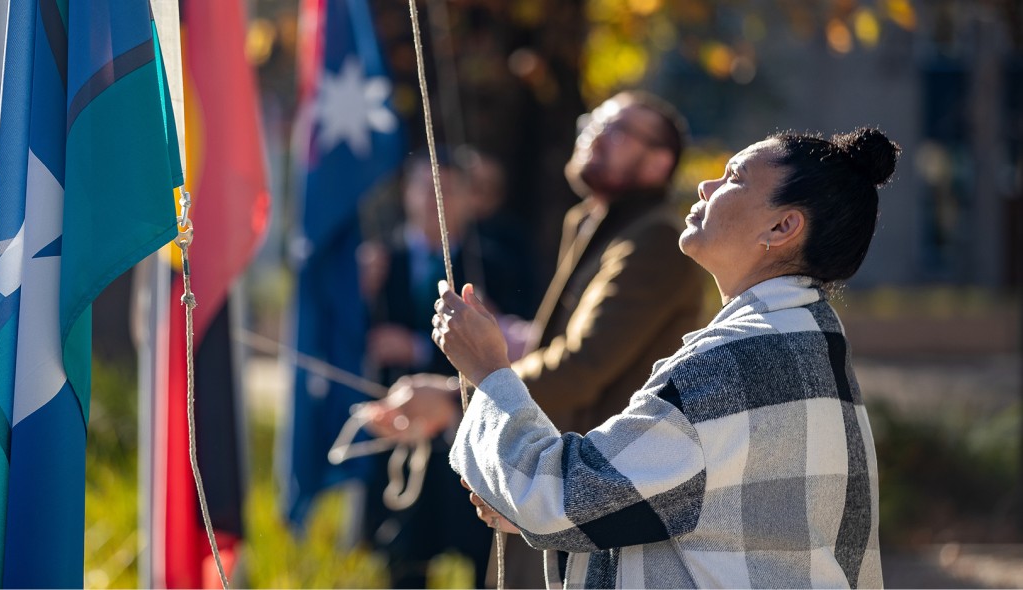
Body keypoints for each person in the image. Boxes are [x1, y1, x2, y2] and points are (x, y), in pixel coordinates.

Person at [430, 127, 898, 588]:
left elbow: (558, 496)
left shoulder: (735, 358)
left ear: (782, 227)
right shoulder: (811, 339)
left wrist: (488, 370)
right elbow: (720, 521)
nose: (705, 185)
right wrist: (574, 515)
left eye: (733, 178)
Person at [365, 90, 705, 587]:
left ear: (658, 163)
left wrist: (451, 396)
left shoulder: (653, 240)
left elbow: (579, 367)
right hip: (567, 491)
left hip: (597, 499)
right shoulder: (597, 226)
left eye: (618, 130)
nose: (594, 132)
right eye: (594, 121)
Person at [356, 149, 532, 588]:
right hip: (401, 427)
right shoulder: (377, 261)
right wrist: (358, 296)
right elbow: (353, 337)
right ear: (406, 192)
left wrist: (418, 347)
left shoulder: (497, 262)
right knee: (404, 553)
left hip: (470, 426)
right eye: (425, 186)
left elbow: (514, 348)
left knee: (481, 548)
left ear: (472, 199)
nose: (436, 200)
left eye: (450, 190)